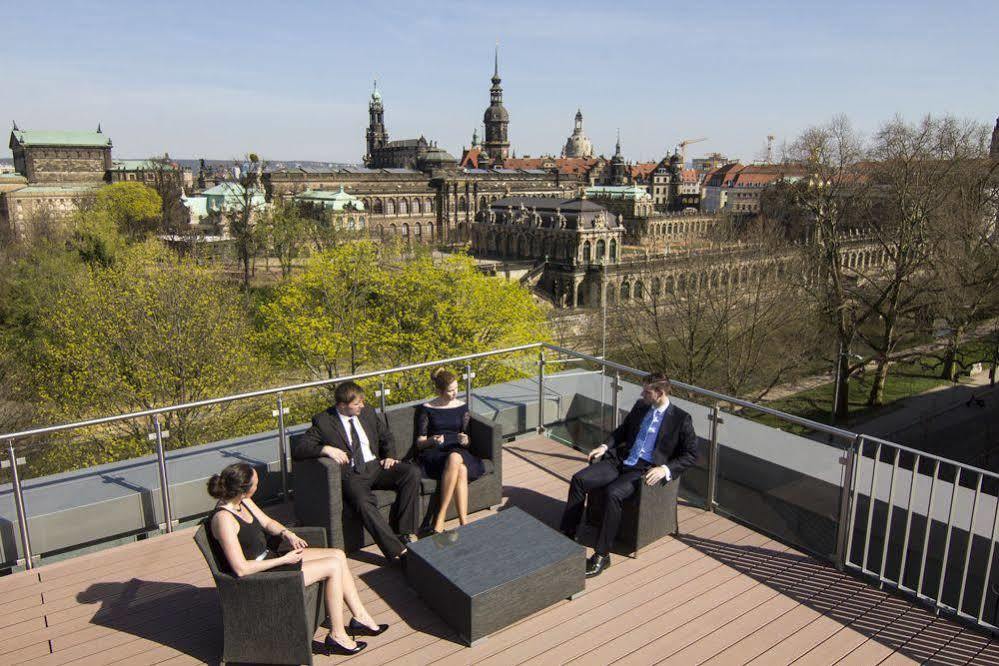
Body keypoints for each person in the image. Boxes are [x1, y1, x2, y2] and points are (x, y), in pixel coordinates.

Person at [206, 463, 388, 656]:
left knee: (338, 555)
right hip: (261, 577)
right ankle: (338, 636)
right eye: (256, 484)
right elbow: (241, 569)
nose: (258, 486)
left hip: (271, 559)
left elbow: (267, 522)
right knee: (333, 566)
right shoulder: (224, 520)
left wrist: (287, 533)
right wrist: (284, 560)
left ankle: (360, 617)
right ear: (243, 489)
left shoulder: (242, 501)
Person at [559, 372, 698, 578]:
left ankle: (602, 555)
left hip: (643, 471)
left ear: (659, 393)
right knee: (580, 479)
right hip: (620, 460)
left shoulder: (681, 419)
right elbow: (622, 431)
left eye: (647, 391)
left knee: (613, 492)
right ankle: (567, 535)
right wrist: (604, 446)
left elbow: (691, 454)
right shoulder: (641, 407)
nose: (642, 394)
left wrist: (664, 469)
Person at [292, 381, 422, 563]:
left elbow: (386, 436)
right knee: (362, 501)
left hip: (376, 466)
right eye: (356, 404)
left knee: (411, 472)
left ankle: (406, 532)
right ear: (342, 405)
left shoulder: (367, 411)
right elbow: (299, 449)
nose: (362, 405)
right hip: (352, 474)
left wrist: (390, 455)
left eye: (362, 402)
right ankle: (397, 551)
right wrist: (326, 449)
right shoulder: (324, 421)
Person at [416, 368, 485, 533]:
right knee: (458, 464)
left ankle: (455, 521)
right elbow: (420, 443)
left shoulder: (462, 407)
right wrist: (432, 440)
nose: (455, 393)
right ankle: (445, 518)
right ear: (439, 391)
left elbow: (466, 438)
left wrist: (466, 440)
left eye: (456, 389)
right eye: (450, 390)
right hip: (435, 453)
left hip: (457, 450)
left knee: (458, 462)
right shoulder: (427, 408)